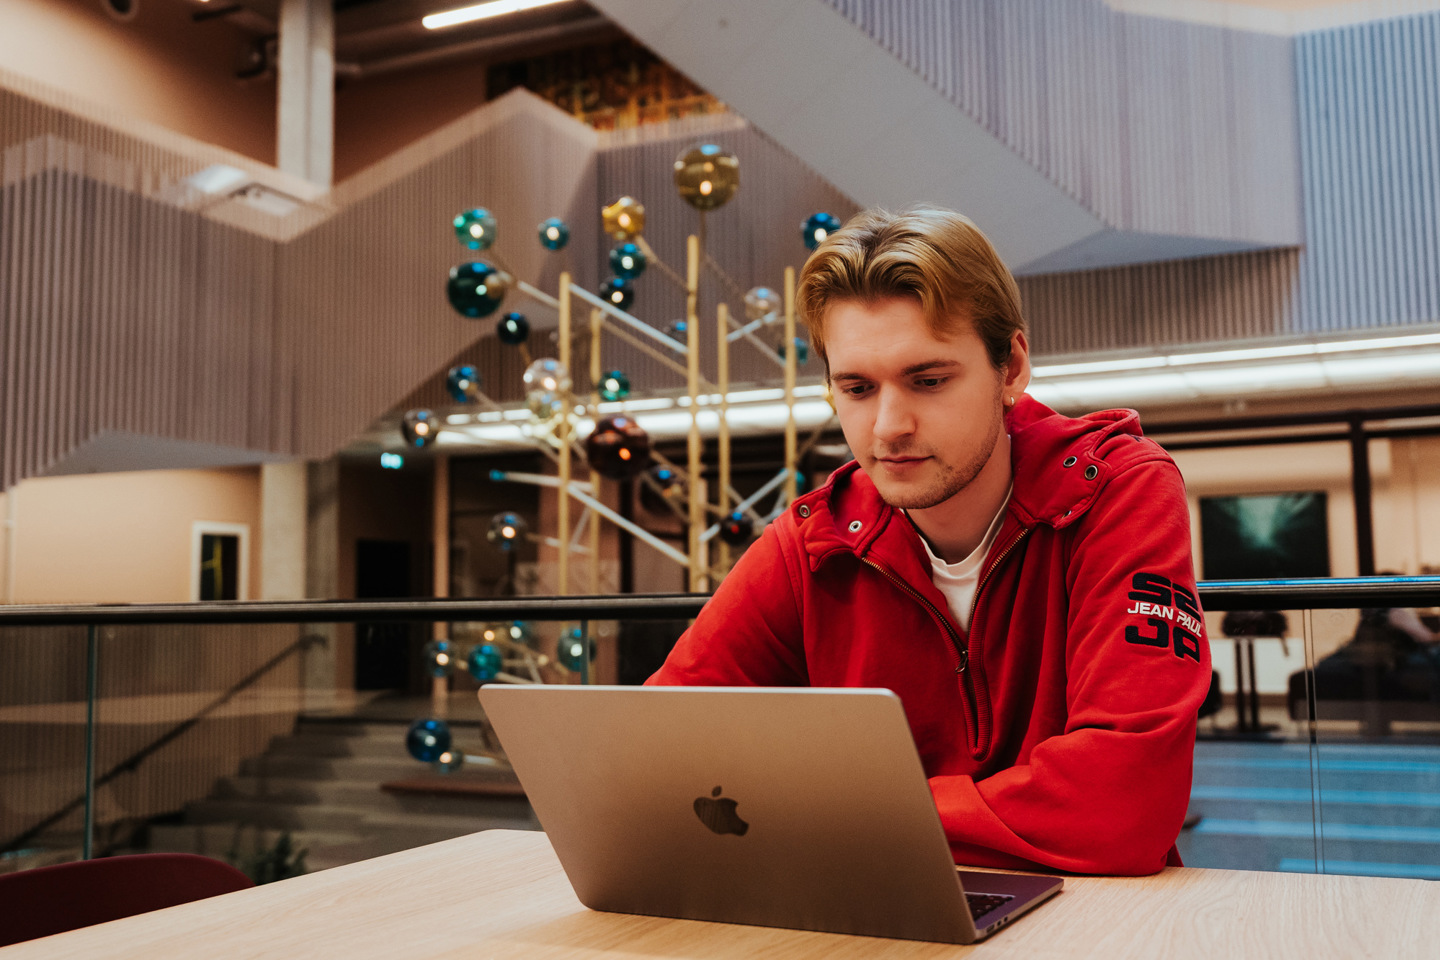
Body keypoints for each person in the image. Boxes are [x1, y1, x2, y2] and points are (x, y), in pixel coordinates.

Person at [647, 208, 1212, 876]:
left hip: (1086, 918)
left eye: (929, 380)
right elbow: (659, 755)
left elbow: (1124, 803)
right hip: (883, 912)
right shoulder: (813, 539)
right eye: (856, 388)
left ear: (1012, 369)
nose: (888, 427)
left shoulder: (1116, 489)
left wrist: (836, 821)